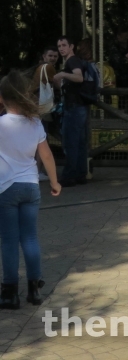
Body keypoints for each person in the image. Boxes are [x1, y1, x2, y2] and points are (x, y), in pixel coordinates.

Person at [0, 72, 61, 309]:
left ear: (2, 98)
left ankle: (9, 292)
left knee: (8, 240)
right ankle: (34, 289)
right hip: (31, 187)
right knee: (30, 237)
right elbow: (46, 155)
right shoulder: (35, 124)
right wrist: (54, 182)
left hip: (5, 188)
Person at [52, 37, 90, 187]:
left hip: (74, 107)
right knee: (80, 142)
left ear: (71, 46)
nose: (61, 48)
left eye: (64, 45)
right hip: (79, 106)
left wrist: (62, 75)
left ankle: (69, 175)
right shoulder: (75, 61)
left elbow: (79, 77)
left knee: (70, 142)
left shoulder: (72, 61)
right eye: (59, 46)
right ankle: (81, 174)